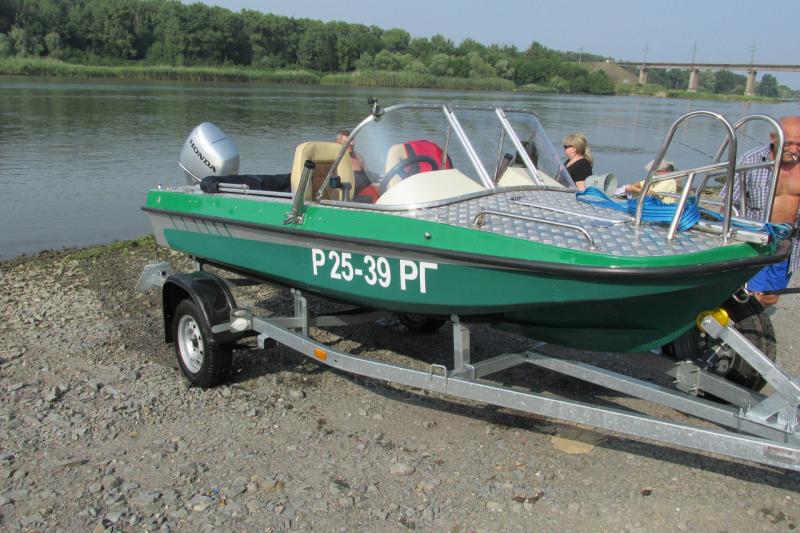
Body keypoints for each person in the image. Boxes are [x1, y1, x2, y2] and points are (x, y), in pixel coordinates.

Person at [724, 115, 800, 307]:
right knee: (750, 294)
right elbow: (729, 202)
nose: (794, 150)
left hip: (789, 244)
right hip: (756, 241)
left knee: (770, 297)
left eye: (799, 145)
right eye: (789, 143)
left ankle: (753, 318)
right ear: (773, 137)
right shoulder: (751, 160)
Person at [335, 129, 377, 201]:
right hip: (346, 196)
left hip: (362, 192)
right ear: (338, 143)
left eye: (352, 141)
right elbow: (334, 185)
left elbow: (369, 176)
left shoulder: (358, 157)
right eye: (346, 142)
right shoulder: (335, 158)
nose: (351, 144)